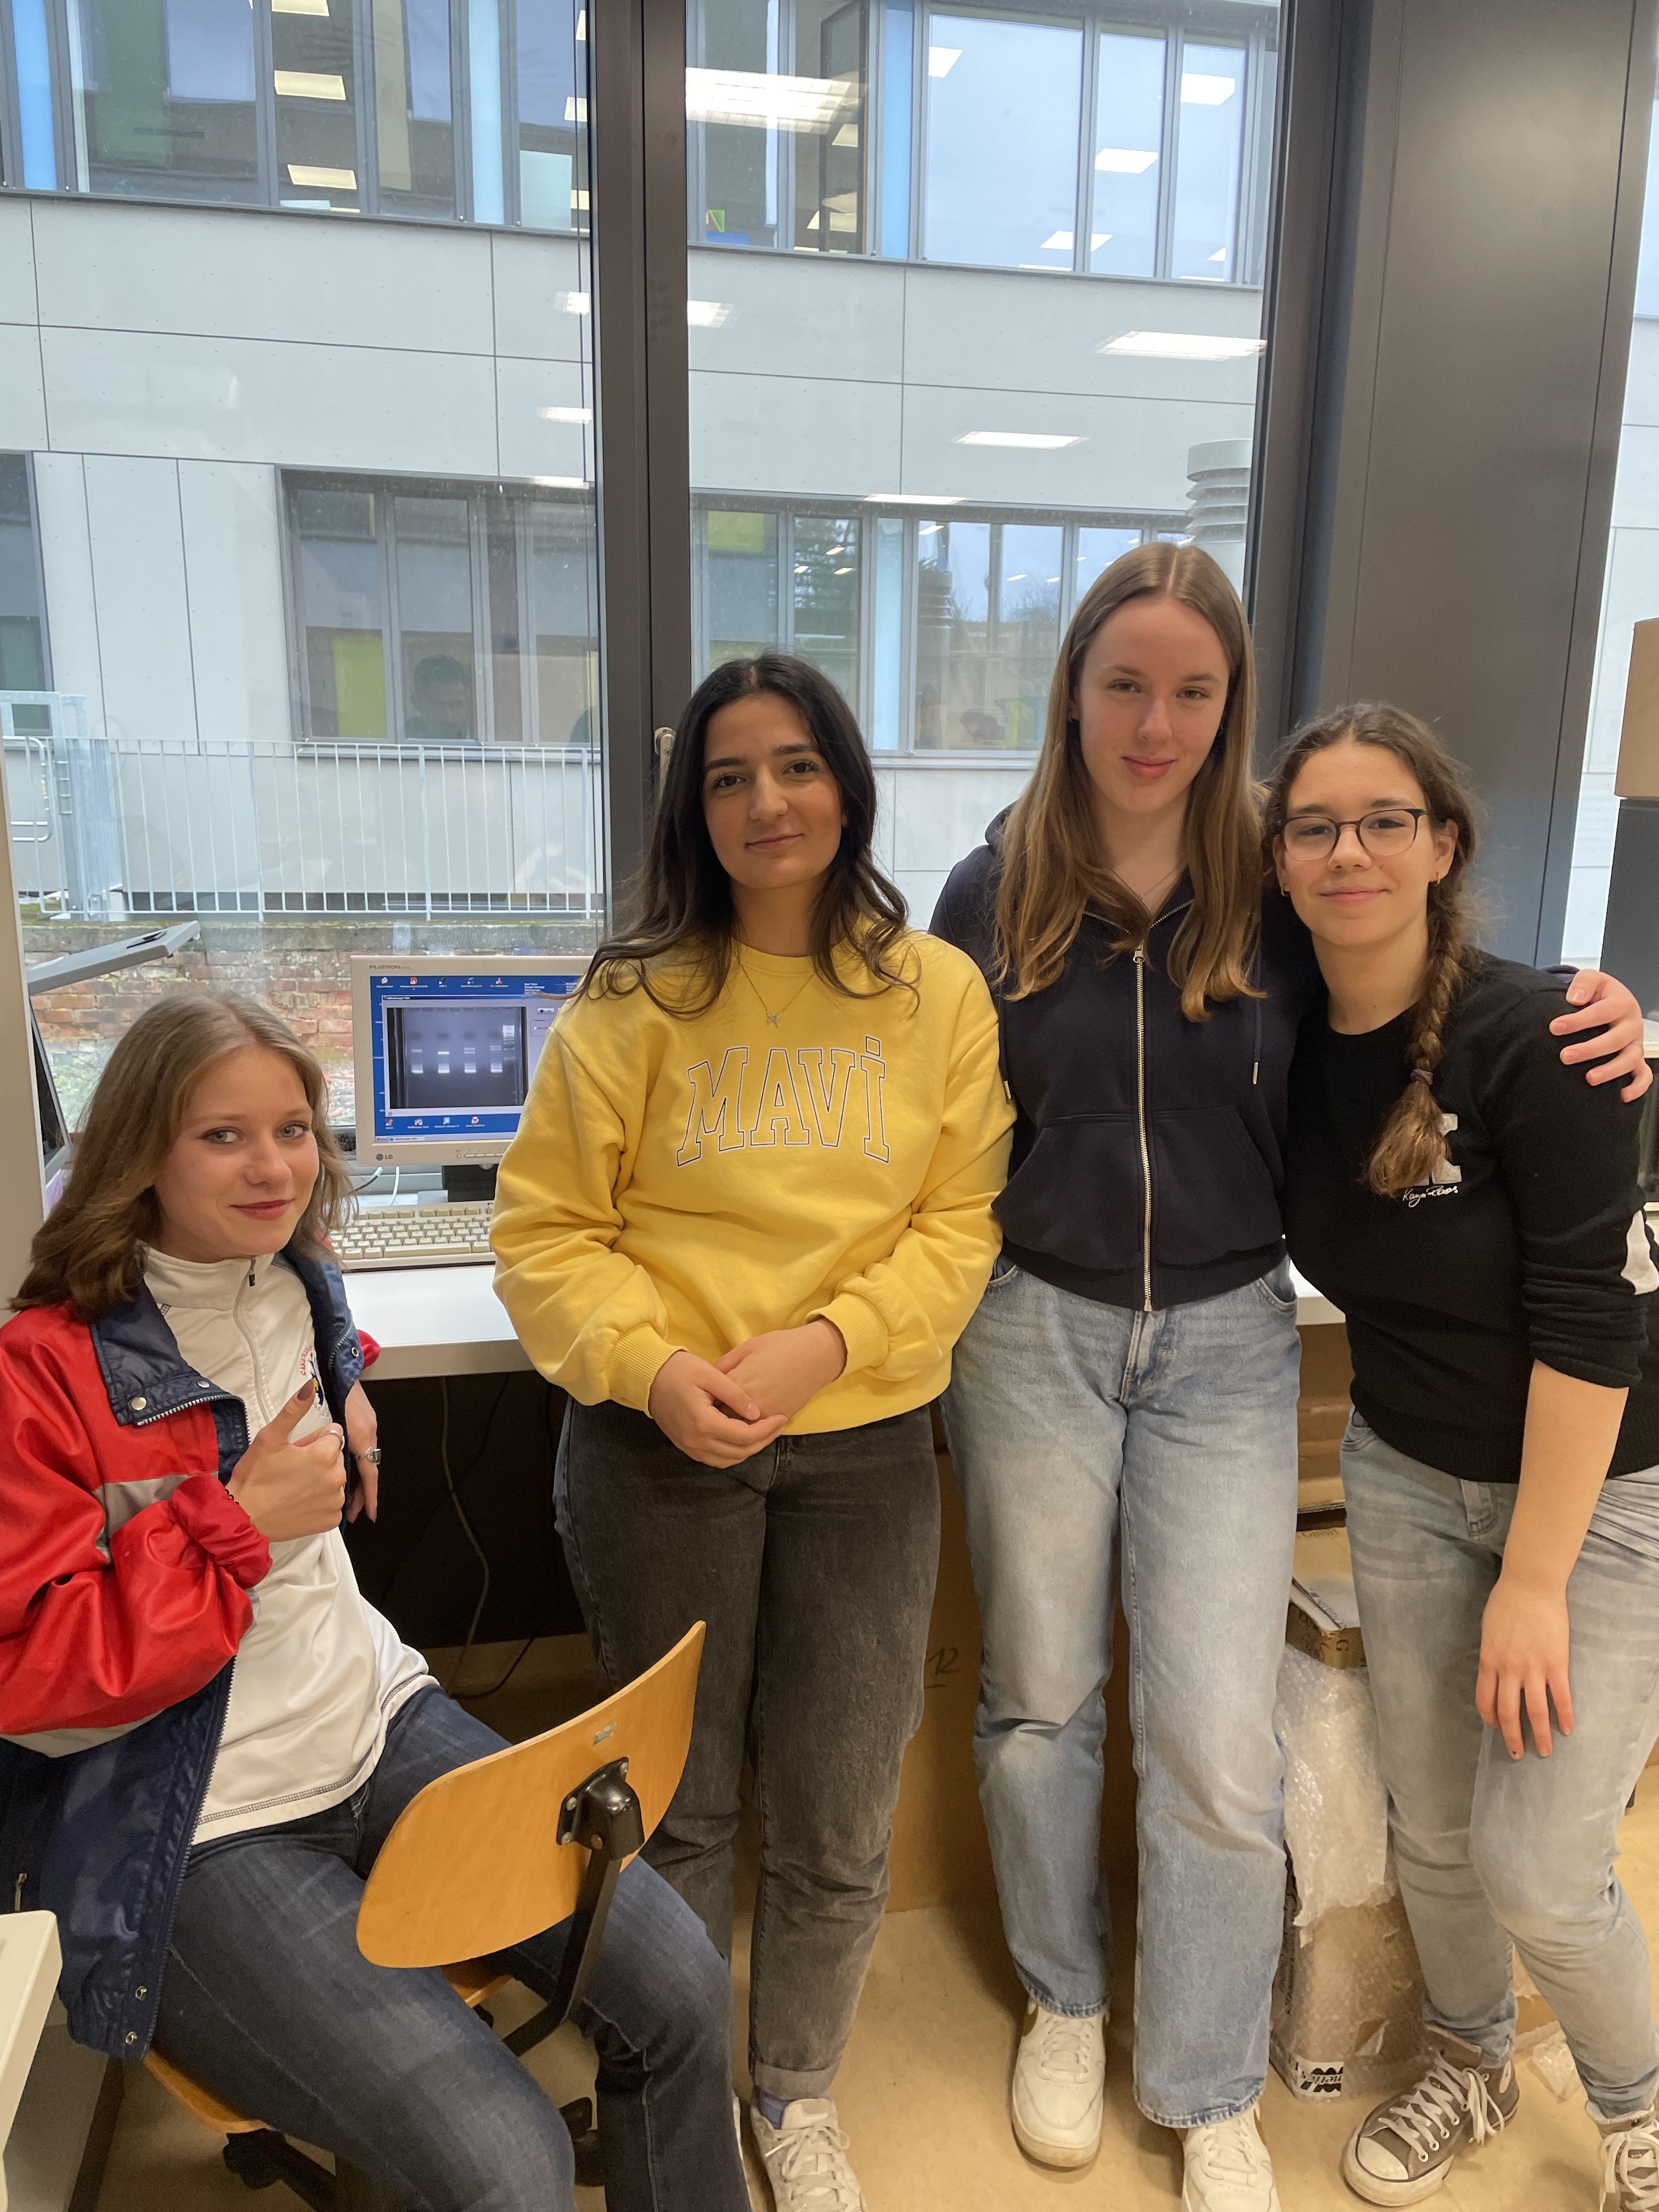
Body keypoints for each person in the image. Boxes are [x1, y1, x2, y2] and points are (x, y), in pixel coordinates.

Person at [927, 541, 1649, 2211]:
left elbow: (1437, 998)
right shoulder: (992, 888)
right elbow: (931, 1108)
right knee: (1040, 1697)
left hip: (1229, 1344)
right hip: (1032, 1328)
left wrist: (1613, 1009)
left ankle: (1201, 2083)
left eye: (1194, 690)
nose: (1157, 722)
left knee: (1212, 1729)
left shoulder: (1275, 873)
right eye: (1125, 684)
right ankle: (1066, 1999)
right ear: (1073, 692)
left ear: (1233, 703)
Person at [0, 992, 749, 2212]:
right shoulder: (42, 1371)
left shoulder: (297, 1273)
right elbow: (27, 1680)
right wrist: (233, 1526)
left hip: (374, 1718)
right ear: (139, 1153)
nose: (273, 1168)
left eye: (293, 1130)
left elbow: (305, 1343)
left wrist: (350, 1381)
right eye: (223, 1136)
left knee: (684, 1992)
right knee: (509, 2165)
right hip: (198, 1811)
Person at [492, 652, 1014, 2212]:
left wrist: (830, 1343)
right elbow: (546, 1236)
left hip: (865, 1447)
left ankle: (793, 2090)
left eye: (795, 766)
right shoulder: (632, 999)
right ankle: (683, 2102)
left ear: (846, 784)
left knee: (841, 1802)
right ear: (693, 811)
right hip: (663, 1448)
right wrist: (655, 1370)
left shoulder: (937, 993)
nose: (766, 801)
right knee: (679, 1811)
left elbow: (960, 1226)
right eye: (728, 778)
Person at [1271, 705, 1659, 2212]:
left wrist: (1535, 1582)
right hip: (1406, 1472)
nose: (1350, 851)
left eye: (1386, 820)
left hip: (1603, 1492)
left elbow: (1595, 1324)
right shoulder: (1286, 1045)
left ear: (1443, 844)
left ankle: (1635, 2106)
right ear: (1281, 862)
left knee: (1541, 1863)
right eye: (1315, 826)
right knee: (1430, 1826)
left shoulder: (1544, 1033)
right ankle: (1471, 2057)